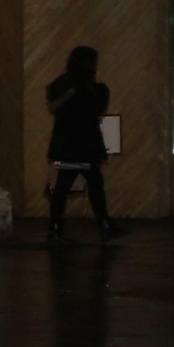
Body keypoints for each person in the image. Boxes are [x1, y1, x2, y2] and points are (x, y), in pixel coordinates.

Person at [46, 45, 120, 242]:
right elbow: (98, 109)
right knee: (95, 185)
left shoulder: (60, 85)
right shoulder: (95, 89)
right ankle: (104, 224)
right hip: (87, 145)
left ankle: (55, 228)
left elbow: (53, 105)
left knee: (61, 188)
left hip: (65, 145)